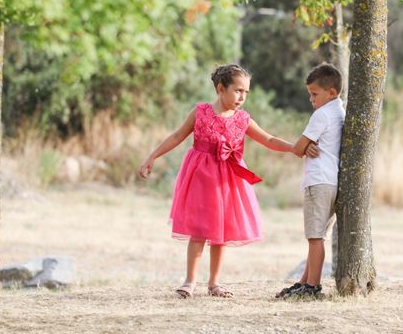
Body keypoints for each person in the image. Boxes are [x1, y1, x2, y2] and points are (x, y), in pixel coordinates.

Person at [137, 64, 305, 298]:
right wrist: (152, 156)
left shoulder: (243, 119)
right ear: (220, 88)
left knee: (220, 232)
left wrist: (295, 148)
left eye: (246, 92)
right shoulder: (200, 112)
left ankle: (214, 283)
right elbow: (177, 136)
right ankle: (189, 281)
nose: (242, 97)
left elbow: (269, 139)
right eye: (238, 91)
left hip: (227, 180)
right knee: (198, 231)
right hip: (200, 177)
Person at [276, 63, 345, 299]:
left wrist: (305, 148)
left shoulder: (322, 114)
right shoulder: (339, 111)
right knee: (317, 235)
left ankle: (312, 286)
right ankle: (304, 281)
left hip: (319, 182)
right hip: (332, 181)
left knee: (315, 238)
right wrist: (309, 147)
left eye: (314, 94)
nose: (311, 99)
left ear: (332, 92)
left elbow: (297, 148)